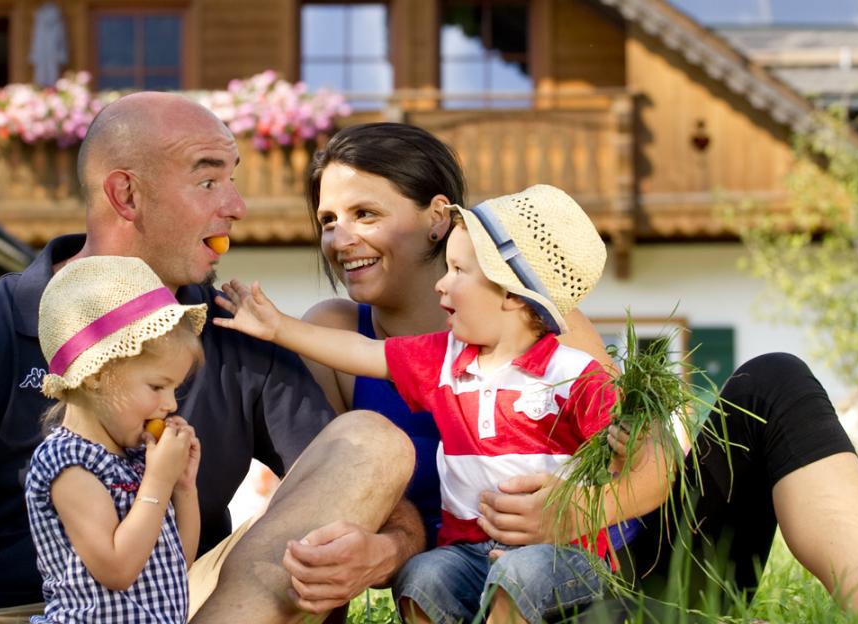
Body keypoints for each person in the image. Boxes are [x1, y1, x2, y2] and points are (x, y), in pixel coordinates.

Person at [0, 93, 422, 624]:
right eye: (207, 181)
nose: (237, 206)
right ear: (126, 195)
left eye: (233, 181)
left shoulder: (233, 325)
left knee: (370, 439)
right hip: (21, 612)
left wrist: (382, 549)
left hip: (181, 606)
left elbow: (385, 502)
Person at [299, 123, 858, 621]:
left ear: (437, 218)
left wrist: (574, 508)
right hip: (463, 590)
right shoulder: (334, 336)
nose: (340, 237)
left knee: (776, 377)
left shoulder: (541, 316)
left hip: (614, 580)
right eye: (328, 220)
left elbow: (652, 460)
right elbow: (332, 501)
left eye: (365, 213)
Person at [218, 184, 623, 624]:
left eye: (458, 271)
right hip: (468, 552)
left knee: (520, 573)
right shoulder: (444, 359)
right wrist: (279, 327)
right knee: (422, 575)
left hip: (560, 555)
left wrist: (606, 473)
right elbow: (361, 352)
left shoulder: (572, 372)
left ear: (511, 294)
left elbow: (631, 449)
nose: (441, 283)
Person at [24, 256, 205, 622]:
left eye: (175, 389)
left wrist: (184, 488)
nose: (170, 404)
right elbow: (119, 570)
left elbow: (173, 566)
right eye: (157, 386)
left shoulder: (136, 458)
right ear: (96, 375)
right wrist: (157, 481)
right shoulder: (70, 463)